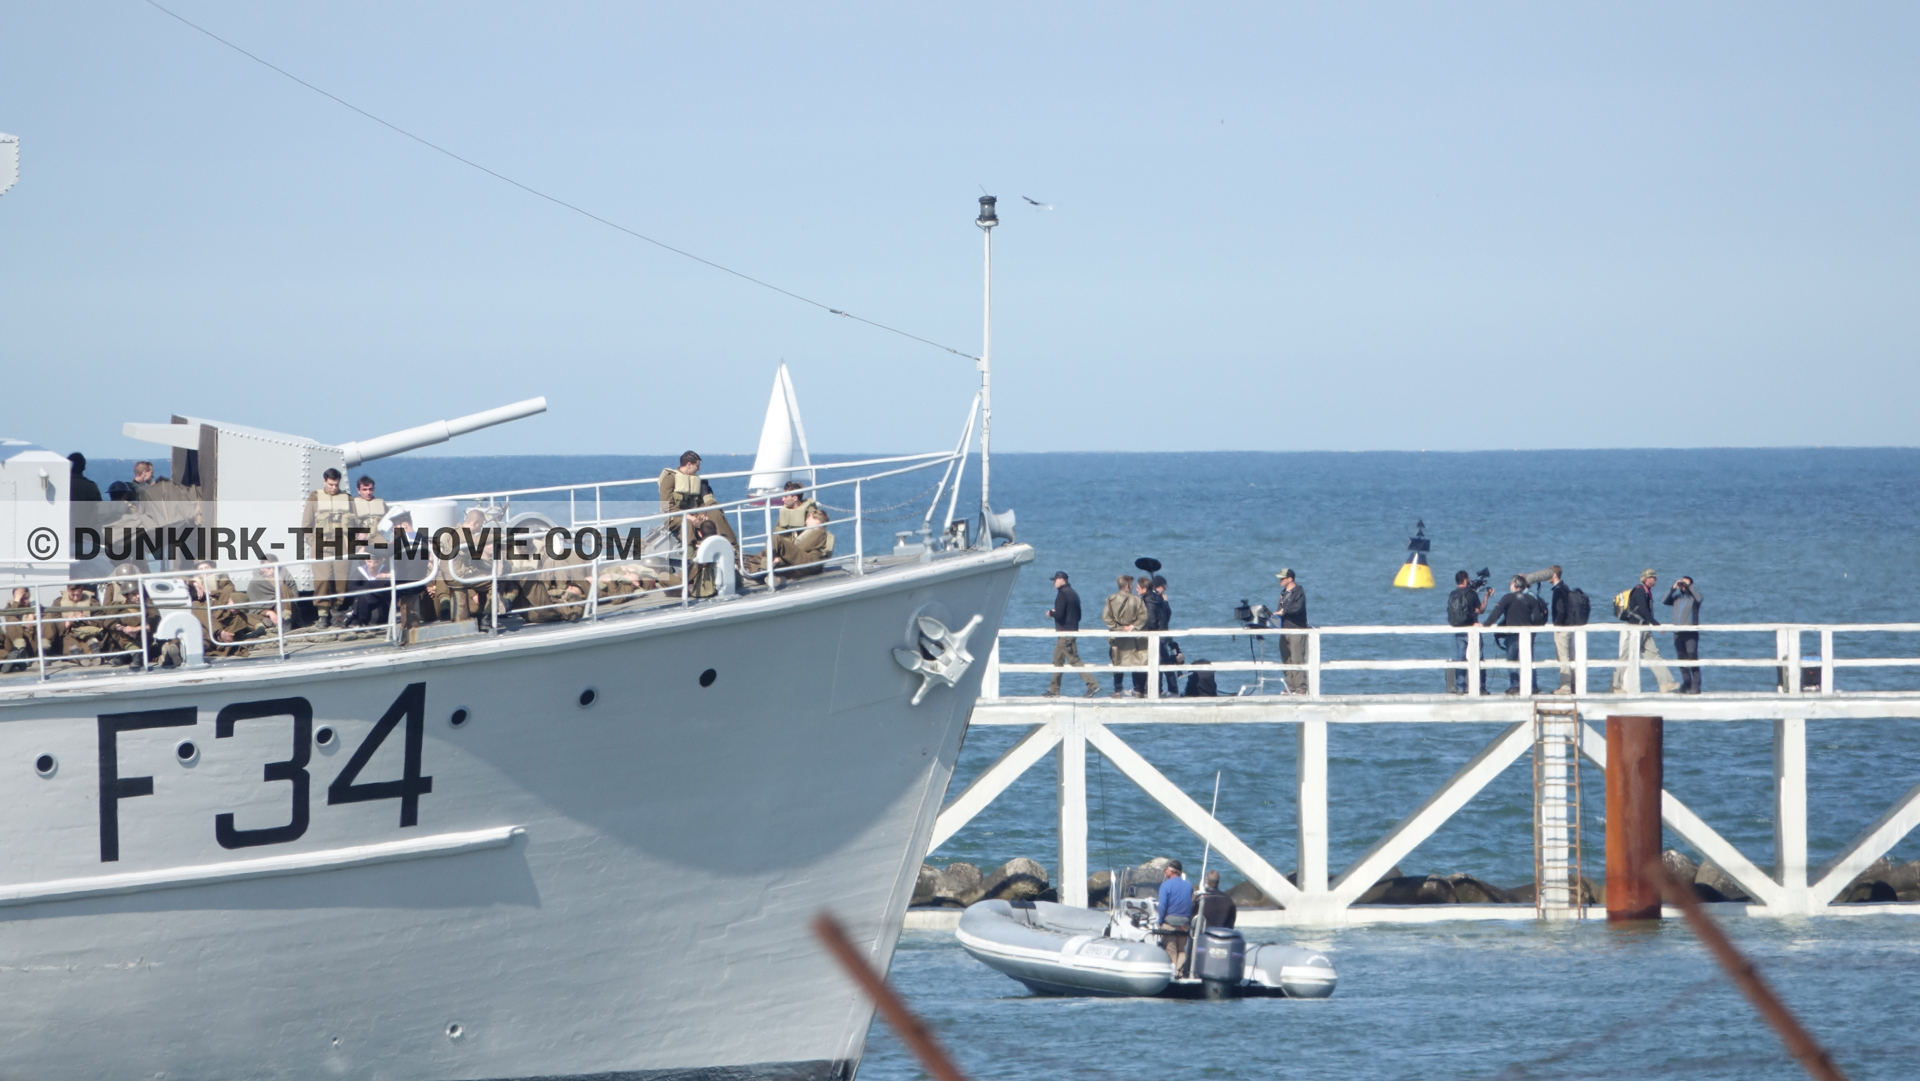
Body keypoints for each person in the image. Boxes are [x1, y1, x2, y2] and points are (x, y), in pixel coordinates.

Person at [302, 468, 354, 629]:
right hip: (321, 544)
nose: (333, 488)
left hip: (342, 545)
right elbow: (306, 525)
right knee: (323, 579)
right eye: (331, 484)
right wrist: (313, 542)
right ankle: (323, 614)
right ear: (325, 481)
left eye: (336, 485)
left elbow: (356, 522)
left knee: (341, 580)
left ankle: (335, 611)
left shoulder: (347, 499)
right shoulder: (315, 498)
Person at [1613, 569, 1680, 694]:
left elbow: (1645, 612)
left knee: (1654, 655)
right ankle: (1616, 686)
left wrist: (1651, 624)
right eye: (1653, 577)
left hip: (1643, 629)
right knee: (1625, 657)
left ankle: (1665, 683)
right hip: (1636, 629)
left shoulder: (1646, 592)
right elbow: (1644, 611)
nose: (1655, 579)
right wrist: (1656, 625)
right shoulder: (1639, 591)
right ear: (1646, 579)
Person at [658, 451, 739, 550]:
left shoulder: (695, 481)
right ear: (689, 465)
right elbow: (667, 507)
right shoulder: (670, 479)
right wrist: (688, 517)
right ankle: (690, 555)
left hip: (694, 514)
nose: (699, 468)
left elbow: (700, 504)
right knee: (687, 523)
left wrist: (702, 514)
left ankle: (731, 546)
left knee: (715, 512)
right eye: (697, 465)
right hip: (674, 516)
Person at [1482, 576, 1546, 695]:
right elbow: (1537, 618)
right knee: (1528, 660)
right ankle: (1532, 685)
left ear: (1514, 584)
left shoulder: (1507, 598)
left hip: (1512, 635)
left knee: (1512, 660)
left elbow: (1495, 614)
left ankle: (1515, 685)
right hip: (1528, 635)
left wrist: (1485, 625)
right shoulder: (1531, 599)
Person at [1044, 571, 1100, 698]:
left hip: (1065, 632)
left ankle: (1092, 684)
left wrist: (1051, 613)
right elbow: (1078, 615)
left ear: (1062, 580)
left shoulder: (1062, 594)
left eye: (1055, 580)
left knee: (1073, 659)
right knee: (1057, 660)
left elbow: (1059, 614)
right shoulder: (1073, 594)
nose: (1054, 582)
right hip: (1071, 630)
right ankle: (1054, 689)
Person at [1102, 574, 1149, 698]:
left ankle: (1117, 690)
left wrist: (1117, 627)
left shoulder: (1111, 599)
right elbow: (1144, 616)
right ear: (1127, 586)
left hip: (1117, 636)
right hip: (1133, 637)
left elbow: (1106, 617)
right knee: (1137, 662)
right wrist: (1133, 626)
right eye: (1131, 585)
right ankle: (1138, 690)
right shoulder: (1137, 600)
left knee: (1117, 662)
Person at [1446, 570, 1491, 694]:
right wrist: (1486, 596)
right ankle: (1481, 687)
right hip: (1472, 629)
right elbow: (1480, 610)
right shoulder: (1471, 594)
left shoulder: (1452, 594)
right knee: (1479, 658)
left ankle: (1460, 687)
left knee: (1460, 658)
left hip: (1459, 630)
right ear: (1465, 580)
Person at [1665, 575, 1704, 694]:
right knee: (1681, 660)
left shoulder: (1693, 599)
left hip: (1690, 633)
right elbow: (1664, 600)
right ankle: (1686, 684)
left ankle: (1695, 686)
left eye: (1685, 584)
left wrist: (1690, 586)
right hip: (1677, 633)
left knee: (1692, 658)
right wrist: (1673, 588)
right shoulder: (1677, 598)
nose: (1683, 586)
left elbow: (1700, 598)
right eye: (1682, 583)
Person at [1156, 860, 1195, 974]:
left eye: (1166, 869)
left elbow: (1162, 906)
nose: (1164, 871)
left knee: (1171, 950)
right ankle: (1179, 972)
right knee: (1182, 951)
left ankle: (1172, 974)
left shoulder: (1165, 885)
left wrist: (1160, 921)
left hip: (1170, 924)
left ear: (1172, 871)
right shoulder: (1188, 885)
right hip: (1184, 924)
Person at [1144, 575, 1180, 697]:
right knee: (1164, 662)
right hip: (1163, 634)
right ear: (1158, 587)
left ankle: (1159, 689)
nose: (1164, 590)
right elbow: (1167, 615)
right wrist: (1166, 602)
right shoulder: (1158, 599)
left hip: (1157, 635)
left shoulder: (1151, 599)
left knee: (1161, 662)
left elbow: (1155, 619)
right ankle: (1167, 689)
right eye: (1163, 587)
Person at [1274, 568, 1308, 694]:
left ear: (1290, 579)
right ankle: (1290, 686)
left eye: (1282, 578)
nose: (1280, 580)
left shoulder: (1299, 592)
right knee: (1286, 659)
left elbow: (1297, 608)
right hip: (1284, 629)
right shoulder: (1282, 594)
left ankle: (1301, 687)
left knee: (1297, 657)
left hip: (1296, 629)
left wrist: (1283, 611)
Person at [1548, 565, 1577, 694]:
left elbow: (1560, 609)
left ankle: (1566, 686)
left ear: (1554, 575)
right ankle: (1574, 684)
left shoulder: (1558, 590)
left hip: (1562, 628)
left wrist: (1557, 624)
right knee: (1571, 656)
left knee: (1563, 657)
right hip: (1570, 626)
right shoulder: (1565, 588)